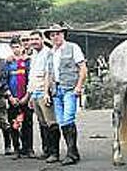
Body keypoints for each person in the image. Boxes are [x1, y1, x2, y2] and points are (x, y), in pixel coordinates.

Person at [46, 24, 87, 166]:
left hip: (70, 88)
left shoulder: (73, 47)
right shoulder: (51, 53)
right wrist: (47, 92)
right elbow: (49, 74)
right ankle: (73, 152)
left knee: (68, 118)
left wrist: (79, 87)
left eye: (58, 33)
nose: (55, 37)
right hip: (56, 90)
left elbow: (83, 68)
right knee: (62, 120)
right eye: (52, 35)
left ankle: (71, 153)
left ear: (63, 34)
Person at [28, 30, 60, 162]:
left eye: (36, 39)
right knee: (42, 123)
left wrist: (47, 93)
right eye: (32, 40)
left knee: (51, 122)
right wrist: (30, 95)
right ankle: (46, 150)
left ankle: (55, 152)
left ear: (42, 39)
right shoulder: (34, 54)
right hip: (35, 92)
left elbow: (49, 74)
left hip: (43, 92)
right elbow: (32, 76)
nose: (34, 42)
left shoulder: (48, 53)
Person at [2, 37, 32, 160]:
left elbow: (32, 80)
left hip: (26, 98)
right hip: (13, 99)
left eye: (18, 47)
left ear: (22, 47)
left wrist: (27, 96)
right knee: (14, 124)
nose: (16, 49)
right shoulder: (8, 63)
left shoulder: (28, 61)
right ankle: (16, 149)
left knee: (27, 124)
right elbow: (4, 81)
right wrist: (9, 96)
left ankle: (28, 149)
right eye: (13, 47)